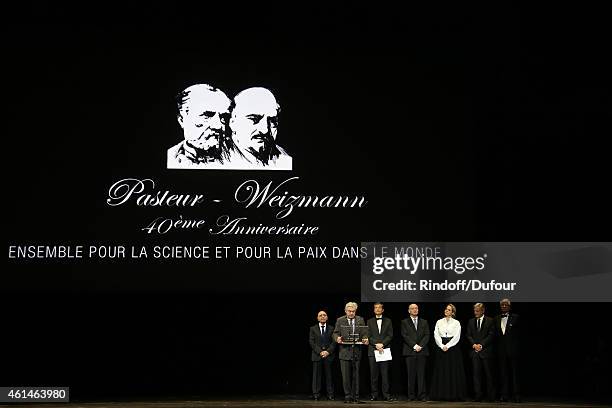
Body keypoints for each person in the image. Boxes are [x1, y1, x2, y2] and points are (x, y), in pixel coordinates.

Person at [168, 84, 233, 169]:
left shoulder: (243, 158)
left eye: (223, 117)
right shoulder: (170, 157)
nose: (218, 126)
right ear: (182, 120)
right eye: (207, 115)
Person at [228, 87, 292, 170]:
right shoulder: (216, 160)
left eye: (272, 120)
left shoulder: (286, 159)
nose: (265, 130)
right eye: (254, 119)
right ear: (232, 121)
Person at [333, 301, 368, 403]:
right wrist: (337, 338)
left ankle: (356, 397)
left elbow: (364, 333)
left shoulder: (360, 319)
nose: (351, 313)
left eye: (353, 311)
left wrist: (365, 339)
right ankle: (347, 396)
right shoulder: (340, 320)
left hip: (356, 351)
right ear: (345, 311)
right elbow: (335, 333)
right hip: (344, 352)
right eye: (349, 311)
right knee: (346, 376)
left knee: (356, 375)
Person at [430, 303, 467, 401]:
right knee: (441, 371)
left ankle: (453, 395)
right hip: (441, 347)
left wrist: (448, 345)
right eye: (446, 309)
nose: (447, 311)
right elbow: (436, 334)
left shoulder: (456, 323)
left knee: (452, 371)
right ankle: (440, 395)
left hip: (452, 348)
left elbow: (457, 336)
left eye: (449, 310)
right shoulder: (439, 322)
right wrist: (442, 345)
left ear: (453, 312)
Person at [466, 303, 496, 402]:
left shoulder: (490, 321)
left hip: (486, 352)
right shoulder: (471, 321)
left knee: (489, 375)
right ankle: (478, 395)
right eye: (474, 311)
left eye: (477, 311)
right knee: (476, 375)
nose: (475, 313)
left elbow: (491, 335)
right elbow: (468, 335)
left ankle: (491, 396)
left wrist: (481, 345)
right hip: (475, 352)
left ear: (483, 311)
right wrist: (474, 344)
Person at [366, 302, 395, 401]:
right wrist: (376, 344)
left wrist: (382, 344)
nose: (377, 309)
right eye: (376, 308)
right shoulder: (369, 321)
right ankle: (374, 395)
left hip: (384, 350)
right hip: (373, 350)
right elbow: (368, 336)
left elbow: (390, 335)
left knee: (385, 374)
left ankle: (386, 395)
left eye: (379, 308)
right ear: (374, 310)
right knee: (373, 375)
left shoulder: (388, 321)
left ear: (382, 310)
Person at [401, 303, 430, 401]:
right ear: (409, 311)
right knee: (411, 375)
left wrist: (420, 346)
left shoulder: (424, 322)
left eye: (416, 308)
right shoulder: (404, 322)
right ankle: (411, 396)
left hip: (422, 351)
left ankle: (422, 395)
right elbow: (405, 336)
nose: (415, 310)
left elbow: (427, 335)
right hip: (410, 351)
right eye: (412, 308)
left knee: (421, 375)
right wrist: (414, 345)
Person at [495, 298, 521, 403]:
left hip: (512, 350)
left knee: (514, 374)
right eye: (502, 305)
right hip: (501, 351)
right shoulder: (496, 318)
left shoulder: (516, 317)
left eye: (506, 305)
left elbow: (519, 335)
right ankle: (504, 395)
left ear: (509, 306)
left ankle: (516, 395)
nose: (504, 307)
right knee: (503, 374)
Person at [309, 310, 336, 401]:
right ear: (317, 318)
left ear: (327, 317)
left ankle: (330, 394)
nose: (322, 316)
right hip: (317, 355)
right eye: (320, 315)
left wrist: (327, 352)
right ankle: (316, 394)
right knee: (316, 376)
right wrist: (320, 352)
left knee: (329, 376)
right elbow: (312, 342)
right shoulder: (313, 329)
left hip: (329, 355)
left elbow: (334, 342)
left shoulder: (332, 328)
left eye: (324, 315)